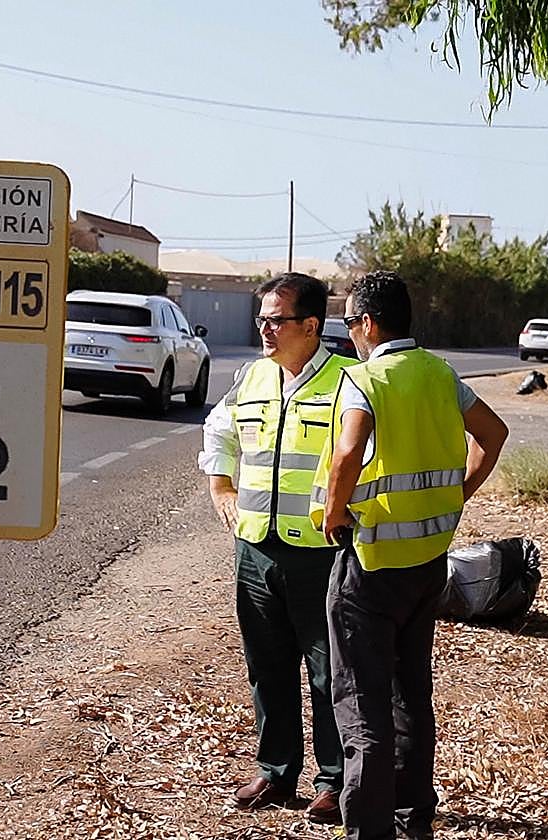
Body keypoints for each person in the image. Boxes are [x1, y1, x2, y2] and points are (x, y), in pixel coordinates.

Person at [309, 271, 508, 840]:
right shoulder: (440, 374)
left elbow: (348, 453)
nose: (350, 333)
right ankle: (412, 818)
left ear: (369, 324)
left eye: (350, 323)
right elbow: (494, 434)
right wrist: (457, 494)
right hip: (427, 563)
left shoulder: (365, 380)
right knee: (411, 695)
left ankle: (369, 831)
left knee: (361, 704)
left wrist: (334, 512)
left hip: (370, 564)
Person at [198, 272, 356, 824]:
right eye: (261, 319)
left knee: (328, 673)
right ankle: (276, 771)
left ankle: (334, 781)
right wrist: (221, 487)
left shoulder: (347, 382)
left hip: (321, 552)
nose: (264, 329)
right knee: (267, 666)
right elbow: (218, 431)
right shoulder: (252, 376)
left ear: (310, 326)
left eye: (276, 320)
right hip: (255, 550)